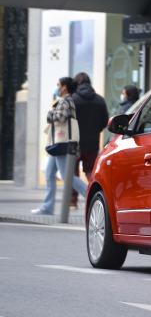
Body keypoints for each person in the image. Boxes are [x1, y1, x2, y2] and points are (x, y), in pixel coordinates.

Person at [32, 77, 87, 215]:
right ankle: (47, 207)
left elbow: (60, 117)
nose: (57, 87)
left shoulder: (67, 101)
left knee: (66, 176)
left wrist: (50, 113)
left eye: (58, 85)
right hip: (58, 144)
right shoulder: (64, 101)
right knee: (50, 173)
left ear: (64, 87)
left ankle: (90, 195)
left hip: (62, 143)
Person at [70, 72, 109, 208]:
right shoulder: (99, 100)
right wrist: (94, 130)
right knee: (91, 173)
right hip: (92, 142)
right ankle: (95, 199)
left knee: (72, 173)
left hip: (75, 143)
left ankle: (72, 202)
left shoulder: (73, 99)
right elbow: (105, 121)